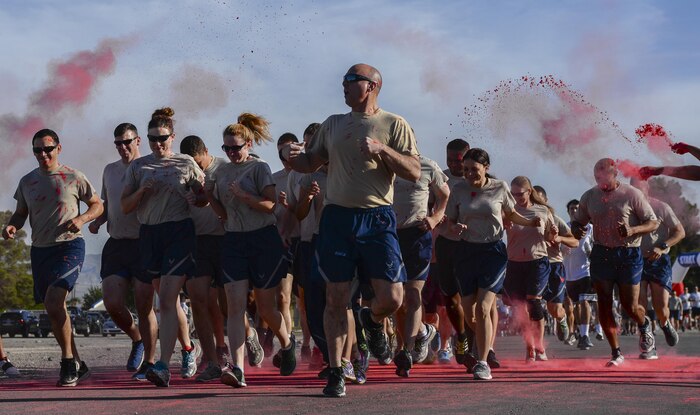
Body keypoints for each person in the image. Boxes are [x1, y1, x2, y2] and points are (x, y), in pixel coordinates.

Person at [280, 63, 421, 397]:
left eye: (349, 81)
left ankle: (371, 322)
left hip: (377, 218)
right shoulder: (333, 124)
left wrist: (383, 150)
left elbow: (414, 170)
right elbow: (309, 163)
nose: (342, 86)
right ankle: (336, 371)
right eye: (343, 80)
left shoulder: (393, 124)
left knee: (392, 298)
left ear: (371, 86)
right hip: (338, 218)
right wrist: (290, 156)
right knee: (336, 298)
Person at [3, 128, 103, 386]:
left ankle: (68, 362)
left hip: (69, 247)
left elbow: (97, 204)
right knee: (55, 309)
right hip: (40, 250)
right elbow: (20, 213)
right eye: (38, 150)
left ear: (59, 148)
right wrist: (12, 225)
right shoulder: (27, 181)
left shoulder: (73, 176)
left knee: (54, 300)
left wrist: (81, 219)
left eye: (48, 148)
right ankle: (78, 363)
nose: (43, 154)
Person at [206, 113, 297, 388]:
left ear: (248, 145)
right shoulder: (220, 172)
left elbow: (272, 206)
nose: (232, 153)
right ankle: (237, 368)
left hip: (262, 239)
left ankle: (287, 343)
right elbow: (222, 214)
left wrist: (245, 196)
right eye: (227, 148)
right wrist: (209, 196)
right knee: (234, 306)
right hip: (233, 239)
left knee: (267, 308)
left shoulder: (259, 168)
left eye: (236, 147)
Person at [121, 108, 204, 387]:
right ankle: (189, 348)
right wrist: (143, 191)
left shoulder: (185, 162)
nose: (159, 144)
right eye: (153, 139)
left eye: (164, 138)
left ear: (173, 136)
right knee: (167, 300)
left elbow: (203, 198)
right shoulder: (138, 166)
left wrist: (197, 197)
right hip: (150, 234)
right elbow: (125, 206)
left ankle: (163, 365)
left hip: (179, 231)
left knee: (167, 299)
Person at [571, 158, 659, 367]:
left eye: (604, 176)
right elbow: (578, 221)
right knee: (603, 303)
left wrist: (632, 230)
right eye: (596, 176)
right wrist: (576, 228)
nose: (600, 180)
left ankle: (644, 324)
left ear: (615, 174)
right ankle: (615, 352)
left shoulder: (631, 194)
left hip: (628, 254)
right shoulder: (589, 196)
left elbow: (653, 222)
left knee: (629, 305)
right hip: (601, 253)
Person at [88, 123, 154, 379]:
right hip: (117, 243)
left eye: (127, 142)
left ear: (138, 141)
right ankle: (137, 339)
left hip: (144, 242)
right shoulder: (110, 170)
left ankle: (148, 361)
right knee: (113, 303)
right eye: (118, 143)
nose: (123, 148)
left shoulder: (149, 166)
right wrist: (97, 221)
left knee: (144, 305)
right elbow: (108, 204)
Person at [180, 135, 236, 382]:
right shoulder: (182, 172)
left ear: (206, 152)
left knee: (229, 305)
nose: (197, 169)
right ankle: (213, 361)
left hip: (225, 239)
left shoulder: (223, 168)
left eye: (199, 163)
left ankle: (246, 342)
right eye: (191, 164)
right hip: (199, 241)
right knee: (198, 297)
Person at [391, 155, 448, 377]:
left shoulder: (428, 165)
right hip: (389, 235)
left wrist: (435, 218)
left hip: (417, 234)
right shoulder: (385, 163)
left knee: (413, 296)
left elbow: (444, 195)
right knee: (395, 299)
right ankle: (424, 331)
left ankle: (407, 351)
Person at [502, 176, 555, 365]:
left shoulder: (543, 210)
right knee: (520, 308)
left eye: (520, 194)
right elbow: (496, 227)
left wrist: (553, 234)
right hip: (515, 262)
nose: (517, 198)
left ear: (529, 191)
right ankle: (529, 348)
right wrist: (503, 222)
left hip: (537, 261)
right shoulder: (509, 211)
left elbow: (549, 236)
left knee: (534, 302)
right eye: (513, 194)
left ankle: (540, 347)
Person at [630, 177, 685, 357]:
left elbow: (680, 232)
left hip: (659, 261)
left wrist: (663, 246)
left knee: (661, 307)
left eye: (640, 187)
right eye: (633, 187)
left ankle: (665, 324)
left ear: (647, 188)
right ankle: (648, 342)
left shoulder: (661, 207)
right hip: (636, 259)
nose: (637, 191)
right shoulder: (627, 208)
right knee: (639, 304)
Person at [433, 139, 470, 364]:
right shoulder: (440, 178)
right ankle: (459, 338)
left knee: (475, 300)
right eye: (449, 161)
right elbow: (428, 208)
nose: (454, 165)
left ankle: (480, 346)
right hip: (445, 244)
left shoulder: (482, 179)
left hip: (473, 245)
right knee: (450, 302)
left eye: (458, 161)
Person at [534, 186, 578, 343]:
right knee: (532, 306)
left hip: (553, 266)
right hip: (533, 265)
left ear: (545, 201)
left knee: (555, 309)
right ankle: (535, 347)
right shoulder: (524, 217)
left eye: (539, 200)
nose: (536, 204)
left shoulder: (555, 219)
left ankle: (562, 318)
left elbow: (574, 241)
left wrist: (559, 239)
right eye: (533, 200)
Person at [561, 199, 596, 350]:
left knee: (584, 302)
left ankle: (585, 335)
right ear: (568, 211)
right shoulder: (564, 228)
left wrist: (591, 252)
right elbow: (558, 247)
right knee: (574, 306)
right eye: (572, 209)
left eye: (577, 208)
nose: (574, 211)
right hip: (569, 272)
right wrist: (563, 250)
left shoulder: (590, 228)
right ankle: (576, 332)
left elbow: (597, 247)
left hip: (585, 270)